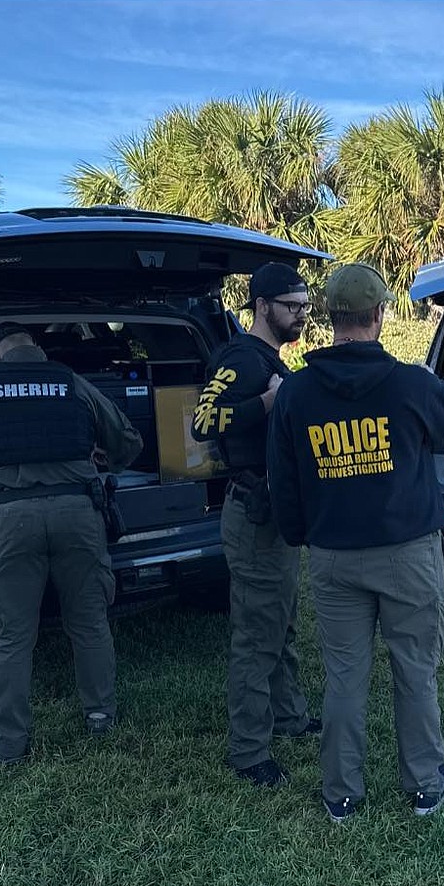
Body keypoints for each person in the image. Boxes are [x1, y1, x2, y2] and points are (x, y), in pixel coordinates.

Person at [268, 262, 444, 822]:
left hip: (333, 556)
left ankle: (342, 794)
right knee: (414, 668)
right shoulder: (410, 382)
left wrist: (299, 536)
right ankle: (426, 784)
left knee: (343, 677)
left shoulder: (295, 392)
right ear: (380, 314)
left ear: (329, 319)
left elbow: (282, 479)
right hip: (407, 552)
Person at [0, 321, 142, 764]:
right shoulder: (70, 381)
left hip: (9, 520)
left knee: (13, 636)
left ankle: (6, 742)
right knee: (89, 621)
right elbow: (127, 442)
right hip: (78, 514)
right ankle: (101, 716)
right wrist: (94, 455)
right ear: (36, 349)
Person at [191, 262, 318, 788]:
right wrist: (265, 402)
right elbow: (203, 420)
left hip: (275, 513)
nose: (302, 317)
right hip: (253, 511)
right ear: (262, 306)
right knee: (257, 635)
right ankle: (249, 751)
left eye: (306, 307)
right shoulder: (243, 359)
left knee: (279, 623)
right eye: (292, 307)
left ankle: (288, 716)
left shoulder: (273, 359)